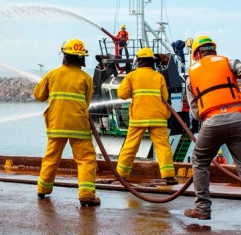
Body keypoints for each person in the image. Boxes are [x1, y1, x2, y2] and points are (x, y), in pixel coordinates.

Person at [184, 35, 241, 232]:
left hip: (212, 122)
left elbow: (195, 111)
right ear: (213, 50)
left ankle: (202, 208)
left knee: (199, 160)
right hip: (238, 120)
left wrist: (210, 113)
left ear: (197, 54)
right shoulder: (228, 62)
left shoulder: (191, 74)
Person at [33, 38, 100, 206]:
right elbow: (87, 101)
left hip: (56, 124)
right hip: (79, 126)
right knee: (86, 159)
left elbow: (39, 96)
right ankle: (86, 194)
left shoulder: (52, 75)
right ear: (81, 57)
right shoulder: (86, 78)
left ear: (64, 55)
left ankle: (43, 189)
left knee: (51, 157)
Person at [116, 47, 178, 185]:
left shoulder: (131, 76)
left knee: (130, 146)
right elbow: (165, 97)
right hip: (158, 117)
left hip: (139, 117)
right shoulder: (159, 77)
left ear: (138, 61)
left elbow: (122, 94)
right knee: (163, 147)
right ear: (152, 62)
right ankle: (168, 176)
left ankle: (121, 174)